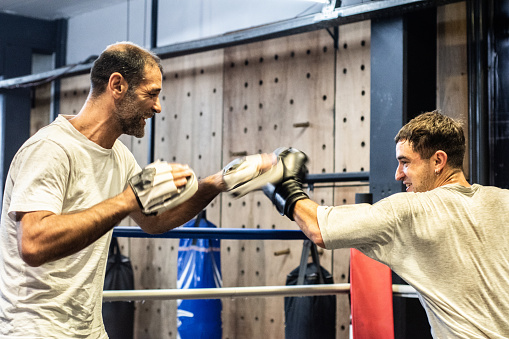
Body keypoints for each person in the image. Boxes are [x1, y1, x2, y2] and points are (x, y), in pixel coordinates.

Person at [0, 41, 276, 338]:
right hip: (34, 328)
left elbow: (154, 220)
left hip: (86, 329)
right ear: (117, 85)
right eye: (151, 93)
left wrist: (217, 183)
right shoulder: (51, 148)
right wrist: (125, 201)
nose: (157, 107)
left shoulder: (118, 156)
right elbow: (33, 244)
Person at [263, 111, 509, 338]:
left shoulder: (411, 210)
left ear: (438, 161)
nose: (398, 174)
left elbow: (318, 227)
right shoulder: (504, 200)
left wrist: (283, 188)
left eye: (405, 162)